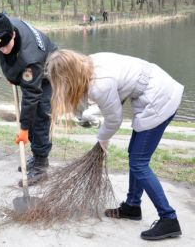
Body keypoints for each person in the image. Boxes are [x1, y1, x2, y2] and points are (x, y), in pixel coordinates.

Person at [46, 49, 183, 241]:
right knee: (135, 156)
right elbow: (117, 94)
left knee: (139, 162)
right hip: (155, 91)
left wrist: (102, 140)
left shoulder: (99, 85)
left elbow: (114, 119)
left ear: (68, 75)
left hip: (159, 98)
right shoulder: (92, 61)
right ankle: (132, 207)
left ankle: (169, 219)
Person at [0, 13, 57, 186]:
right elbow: (5, 54)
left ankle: (41, 164)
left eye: (6, 45)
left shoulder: (30, 58)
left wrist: (23, 129)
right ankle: (36, 154)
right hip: (30, 66)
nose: (3, 50)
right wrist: (13, 76)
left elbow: (31, 96)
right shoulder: (2, 27)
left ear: (13, 35)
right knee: (30, 112)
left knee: (39, 114)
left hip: (50, 70)